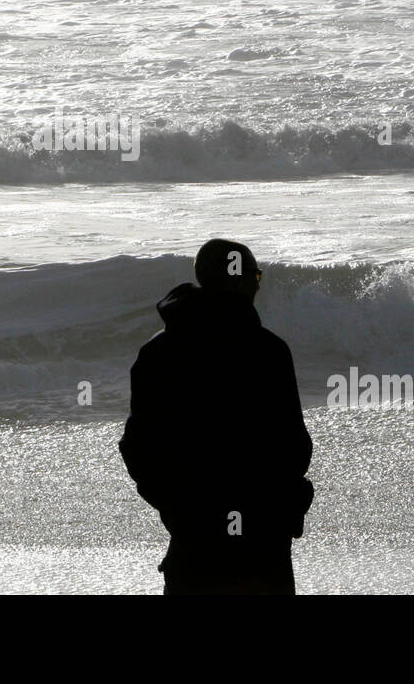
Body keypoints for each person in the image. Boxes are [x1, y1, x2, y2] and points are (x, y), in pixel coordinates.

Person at [119, 239, 313, 595]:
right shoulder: (266, 351)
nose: (258, 283)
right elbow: (293, 446)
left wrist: (175, 509)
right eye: (256, 275)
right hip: (261, 534)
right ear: (237, 279)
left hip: (194, 532)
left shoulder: (157, 352)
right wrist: (285, 504)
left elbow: (138, 448)